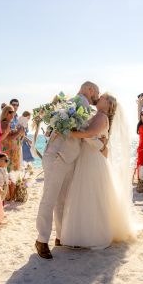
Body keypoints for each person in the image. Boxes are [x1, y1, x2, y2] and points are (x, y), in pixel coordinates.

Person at [61, 93, 139, 249]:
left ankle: (93, 234)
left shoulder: (102, 117)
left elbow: (89, 134)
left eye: (102, 97)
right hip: (87, 156)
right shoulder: (96, 115)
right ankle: (81, 234)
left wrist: (69, 133)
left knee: (91, 194)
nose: (99, 99)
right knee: (84, 194)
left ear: (108, 104)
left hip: (93, 159)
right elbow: (92, 136)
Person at [35, 81, 99, 259]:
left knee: (62, 199)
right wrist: (100, 144)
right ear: (89, 89)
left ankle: (61, 236)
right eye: (96, 92)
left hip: (68, 157)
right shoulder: (76, 103)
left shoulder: (76, 104)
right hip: (58, 155)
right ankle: (41, 239)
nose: (97, 97)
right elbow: (82, 130)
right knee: (50, 197)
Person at [0, 105, 24, 172]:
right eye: (10, 112)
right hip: (9, 153)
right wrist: (19, 131)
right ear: (5, 113)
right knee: (10, 173)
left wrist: (20, 131)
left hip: (13, 153)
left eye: (13, 112)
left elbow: (14, 136)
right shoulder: (4, 123)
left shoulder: (9, 123)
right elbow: (8, 137)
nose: (12, 114)